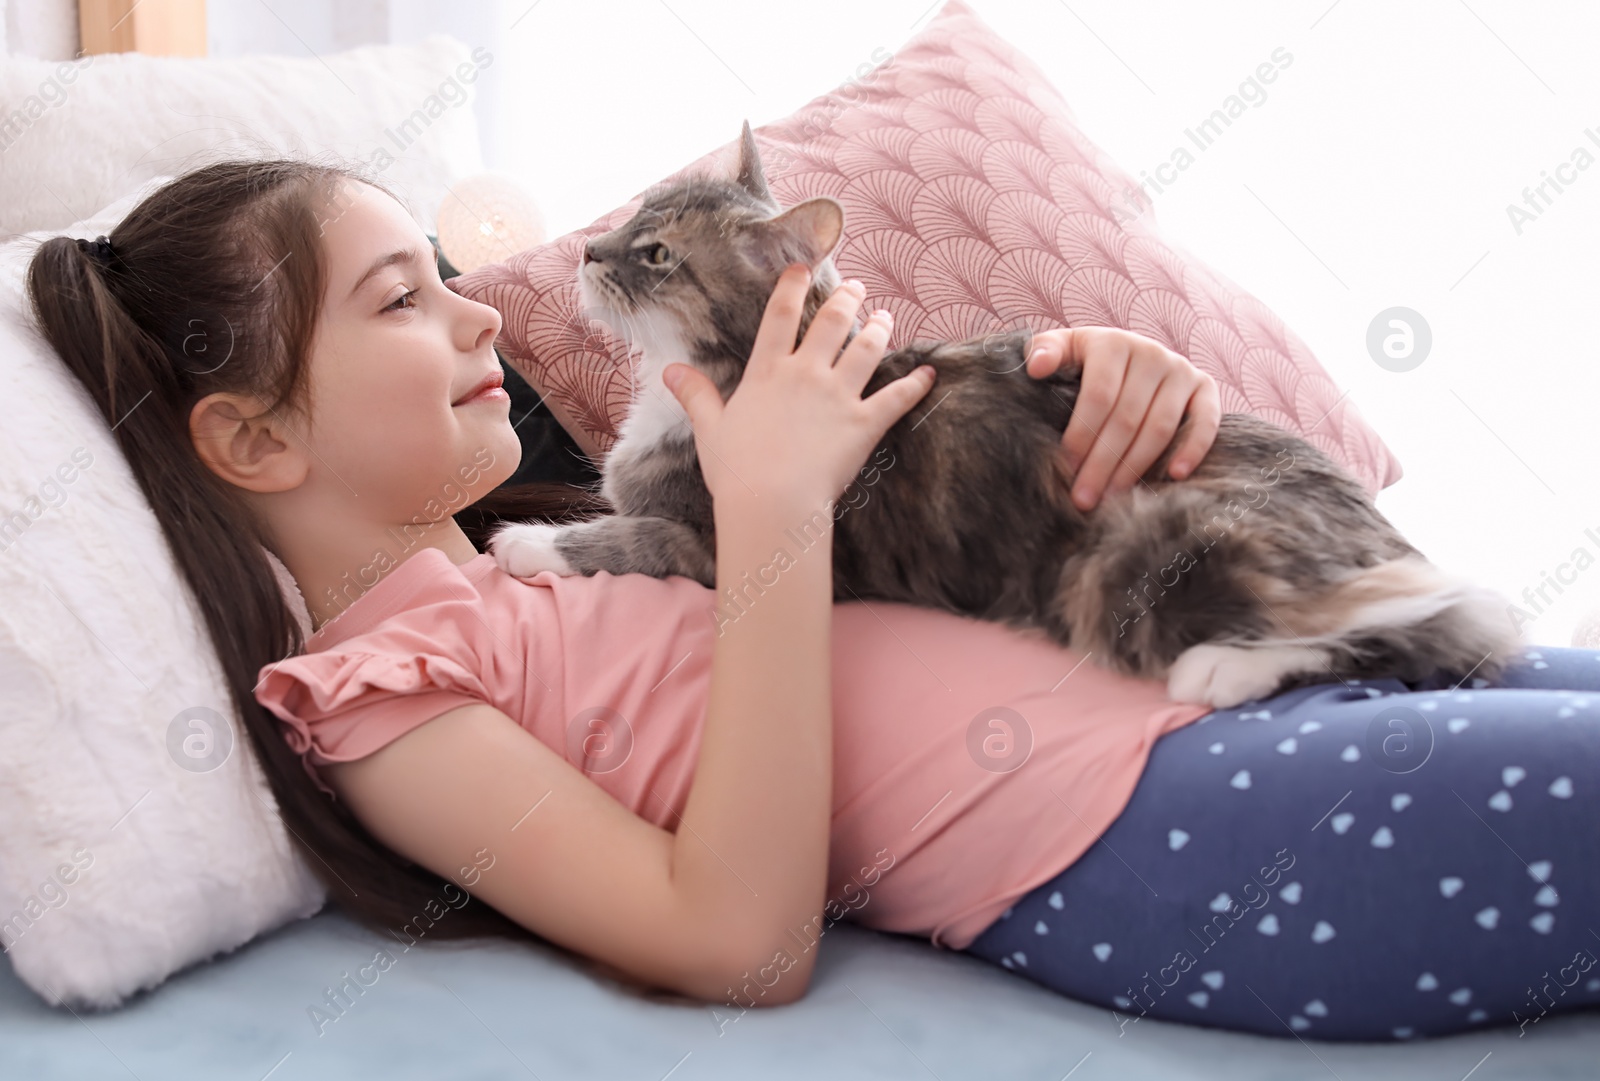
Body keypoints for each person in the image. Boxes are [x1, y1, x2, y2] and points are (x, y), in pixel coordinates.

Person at [26, 159, 1596, 1042]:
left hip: (1245, 671)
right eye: (400, 297)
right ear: (253, 433)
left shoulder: (599, 532)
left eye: (450, 267)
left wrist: (1118, 384)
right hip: (1164, 827)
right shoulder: (379, 694)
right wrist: (774, 511)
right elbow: (736, 938)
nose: (477, 306)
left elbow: (957, 507)